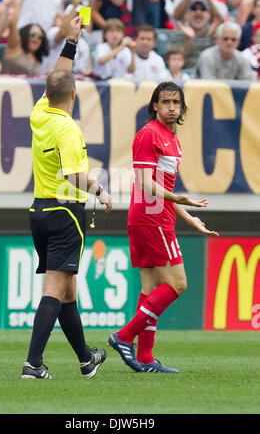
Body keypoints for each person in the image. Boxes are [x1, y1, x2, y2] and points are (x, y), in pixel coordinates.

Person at [22, 15, 112, 379]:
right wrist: (100, 190)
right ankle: (33, 364)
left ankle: (86, 360)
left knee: (68, 293)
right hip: (65, 214)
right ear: (75, 95)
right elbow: (74, 175)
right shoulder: (69, 130)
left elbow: (55, 80)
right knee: (55, 288)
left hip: (39, 211)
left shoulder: (39, 114)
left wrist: (71, 43)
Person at [108, 81, 219, 373]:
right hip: (151, 217)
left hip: (152, 216)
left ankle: (144, 358)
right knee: (178, 283)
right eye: (166, 102)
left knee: (151, 288)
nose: (171, 107)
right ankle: (123, 337)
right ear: (155, 105)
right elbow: (145, 183)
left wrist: (190, 218)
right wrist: (176, 198)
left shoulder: (171, 138)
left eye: (176, 102)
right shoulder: (148, 134)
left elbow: (164, 187)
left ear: (182, 107)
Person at [1, 0, 49, 75]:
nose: (36, 38)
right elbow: (13, 24)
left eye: (40, 36)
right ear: (25, 34)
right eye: (32, 34)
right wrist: (21, 2)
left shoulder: (37, 58)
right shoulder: (15, 48)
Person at [171, 0, 216, 69]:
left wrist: (214, 37)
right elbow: (175, 60)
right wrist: (189, 39)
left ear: (208, 14)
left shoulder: (214, 31)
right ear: (187, 14)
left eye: (203, 9)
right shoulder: (179, 31)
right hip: (186, 74)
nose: (198, 12)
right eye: (194, 9)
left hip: (209, 73)